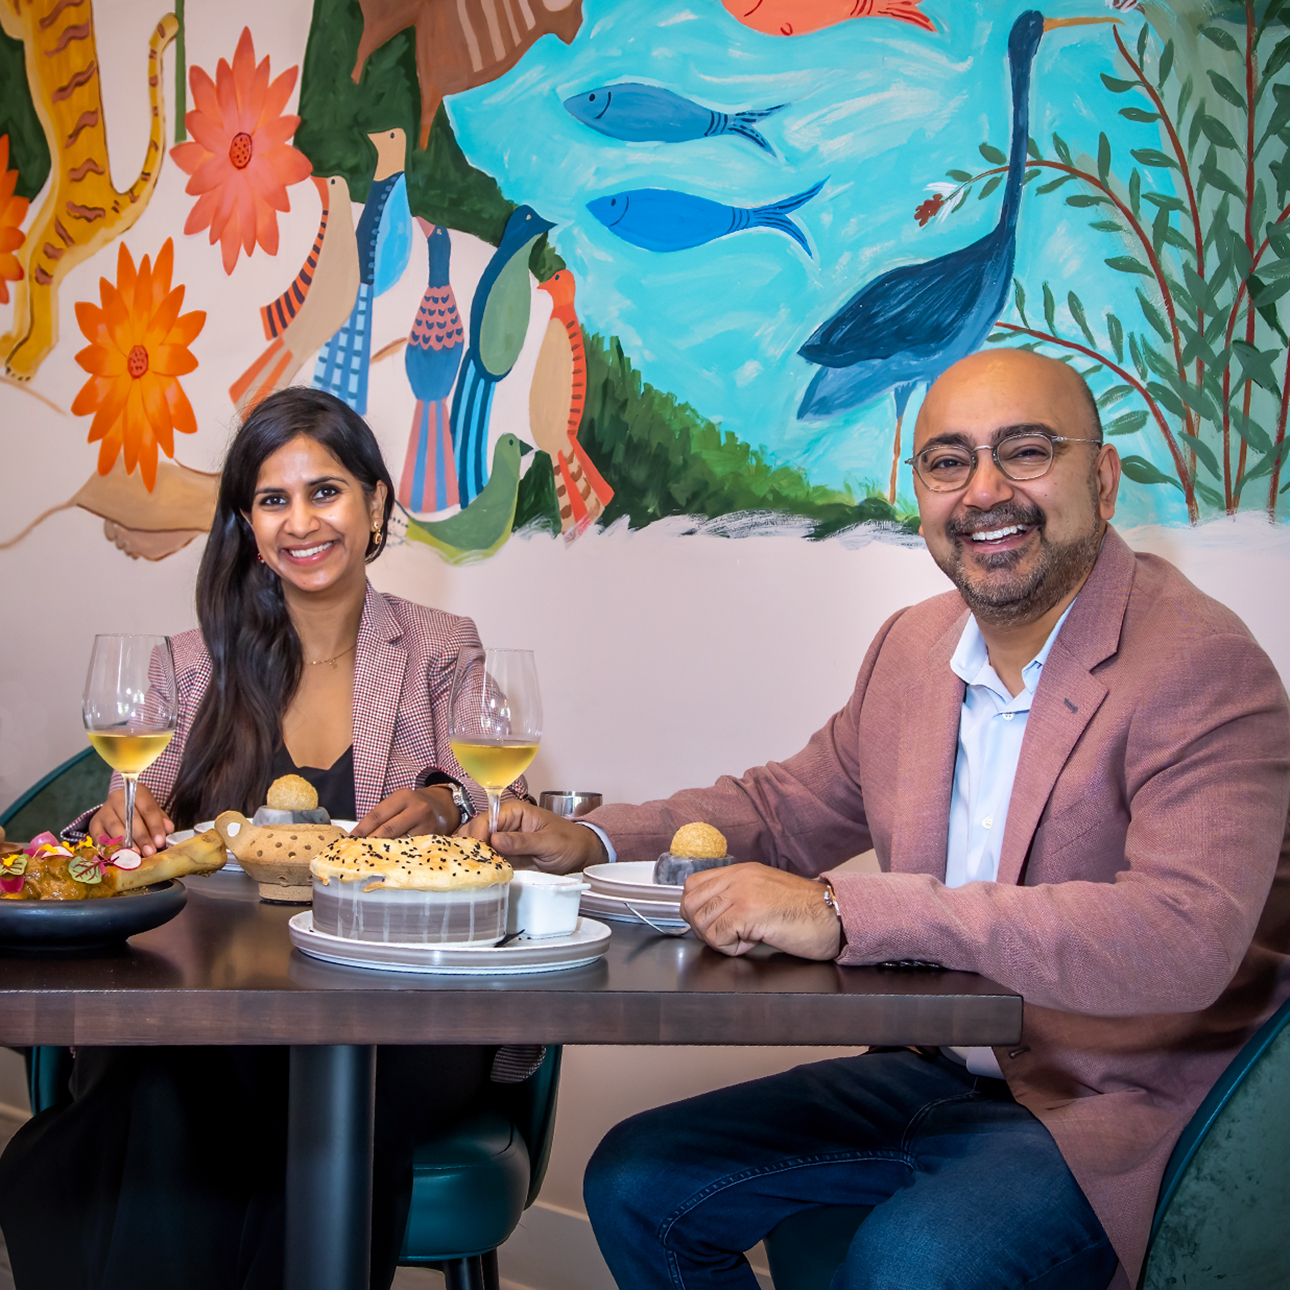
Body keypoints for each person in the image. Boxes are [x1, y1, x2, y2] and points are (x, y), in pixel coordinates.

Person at [464, 350, 1290, 1290]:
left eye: (1025, 452)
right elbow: (785, 805)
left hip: (1111, 1104)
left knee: (911, 1263)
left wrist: (850, 912)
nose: (984, 491)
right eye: (947, 462)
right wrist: (600, 840)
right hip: (932, 1073)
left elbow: (1182, 937)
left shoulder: (1201, 664)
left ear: (1100, 478)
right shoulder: (913, 647)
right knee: (637, 1179)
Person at [0, 388, 534, 1290]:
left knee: (311, 1103)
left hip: (394, 1018)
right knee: (165, 1086)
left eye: (324, 492)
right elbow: (113, 831)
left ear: (374, 505)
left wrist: (444, 803)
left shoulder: (442, 646)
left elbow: (497, 816)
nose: (301, 522)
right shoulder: (189, 659)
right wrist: (117, 822)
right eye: (273, 500)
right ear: (248, 525)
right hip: (212, 1010)